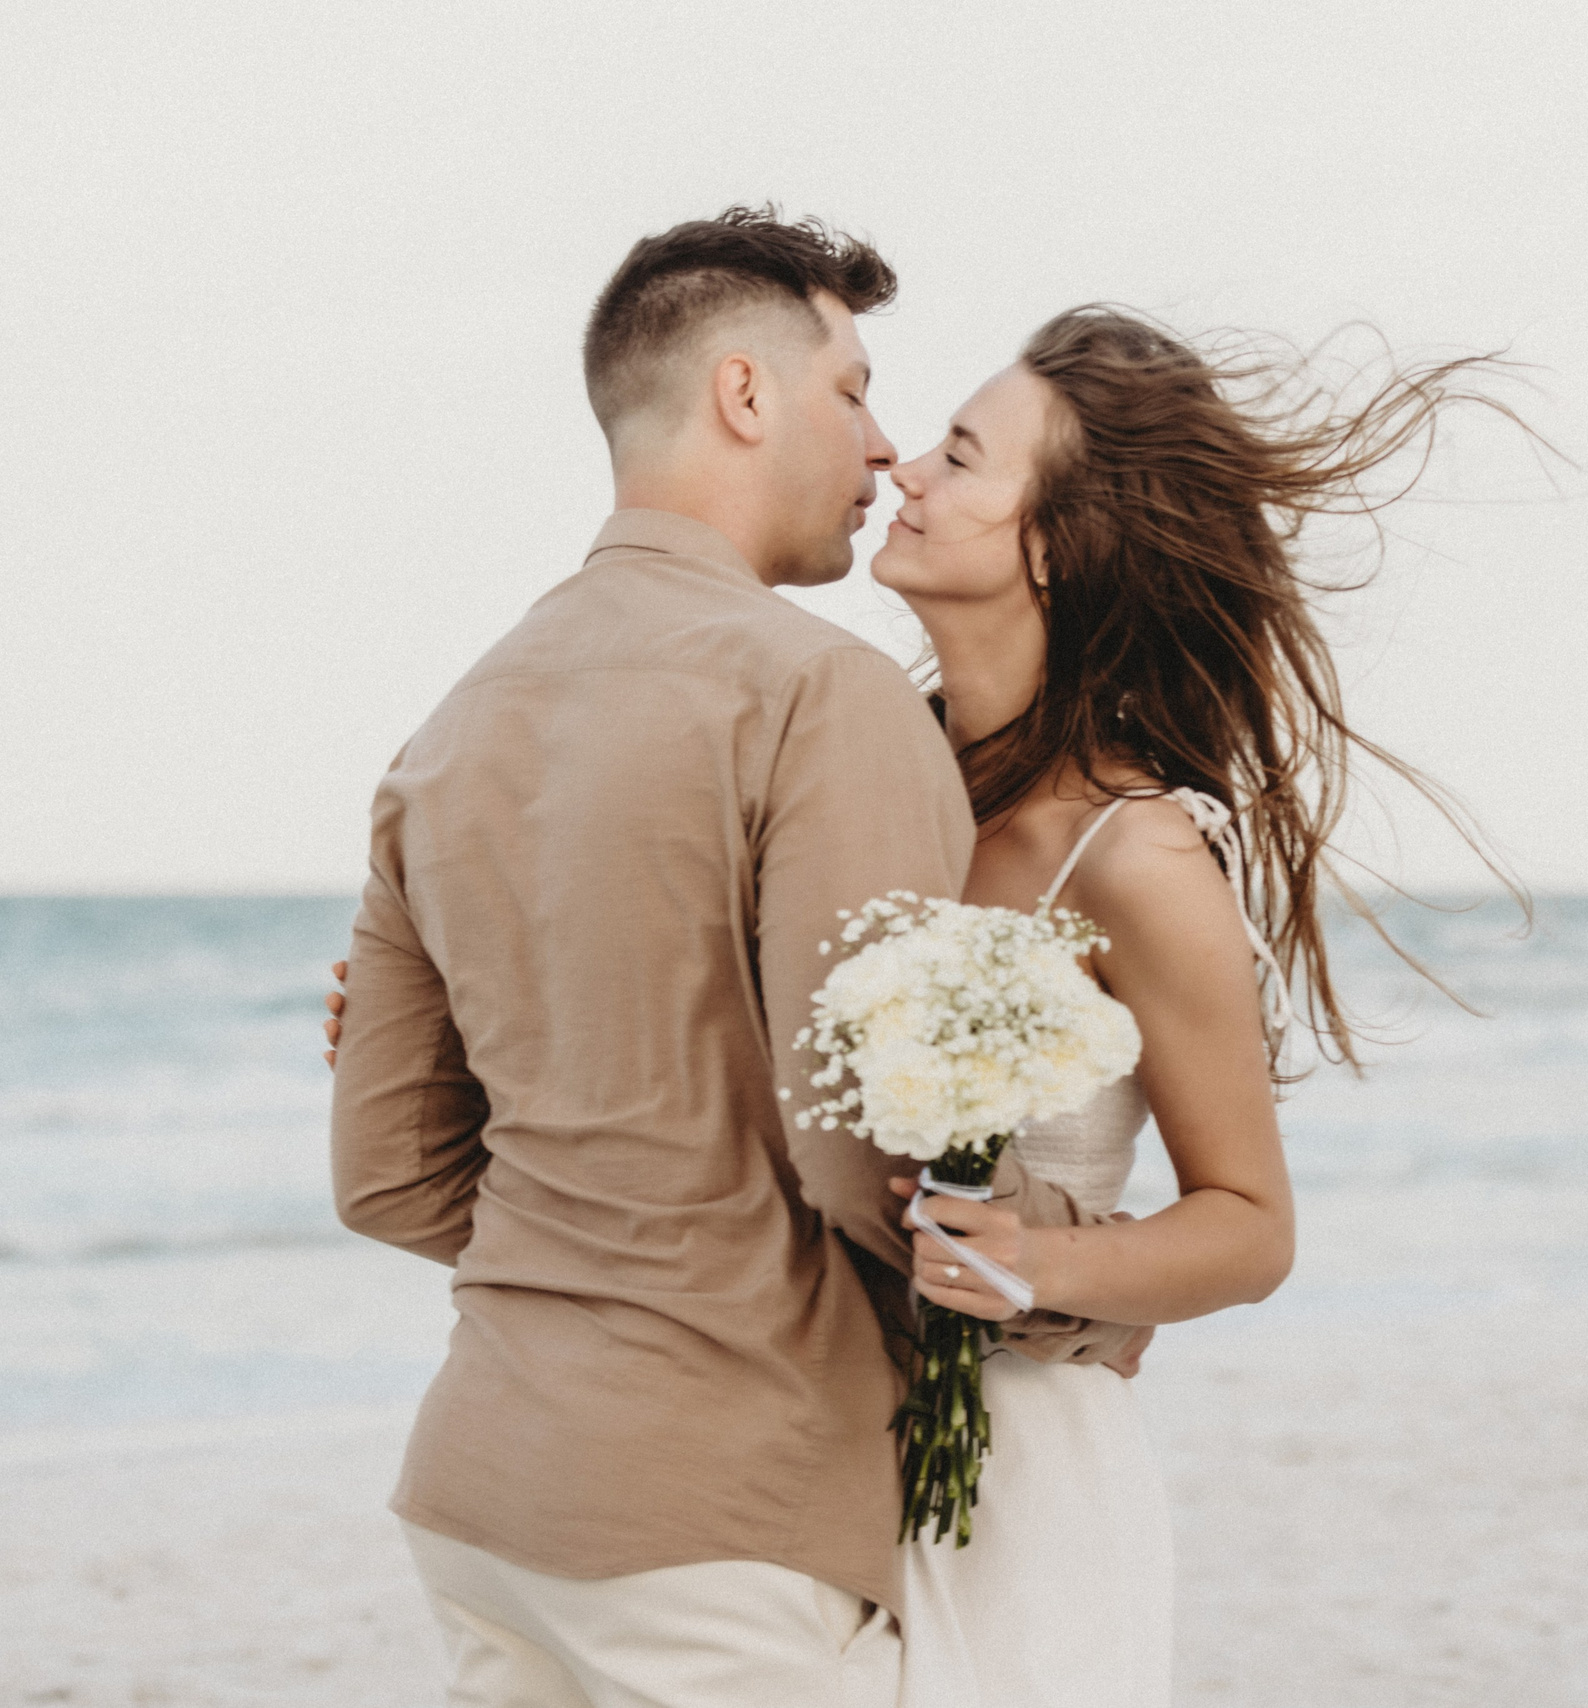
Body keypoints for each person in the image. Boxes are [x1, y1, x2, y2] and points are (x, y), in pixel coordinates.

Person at [324, 208, 1143, 1708]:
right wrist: (1095, 1291)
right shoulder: (816, 693)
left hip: (480, 1494)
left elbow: (384, 1174)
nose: (885, 446)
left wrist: (597, 1270)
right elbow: (865, 1157)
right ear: (744, 396)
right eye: (852, 389)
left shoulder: (447, 732)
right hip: (716, 1525)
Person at [867, 305, 1522, 1708]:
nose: (903, 469)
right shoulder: (861, 768)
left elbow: (1249, 1227)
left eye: (961, 456)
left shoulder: (1139, 857)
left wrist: (1036, 1269)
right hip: (811, 1451)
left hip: (1015, 1474)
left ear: (1054, 544)